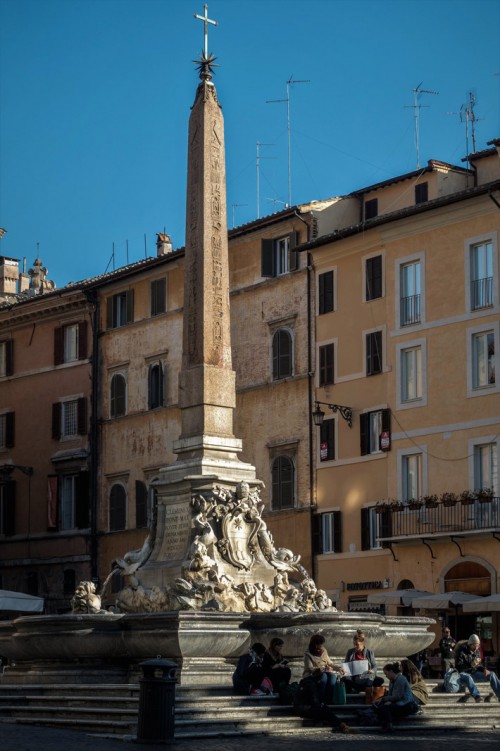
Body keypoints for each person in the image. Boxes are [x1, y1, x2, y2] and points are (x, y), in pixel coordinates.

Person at [373, 662, 419, 732]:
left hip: (407, 704)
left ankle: (389, 725)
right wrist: (382, 700)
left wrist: (385, 700)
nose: (386, 676)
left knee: (384, 708)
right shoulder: (392, 681)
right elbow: (391, 695)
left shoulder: (401, 679)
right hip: (398, 703)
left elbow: (398, 696)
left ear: (391, 671)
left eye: (386, 674)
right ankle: (386, 723)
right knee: (379, 706)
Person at [455, 634, 500, 703]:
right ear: (470, 644)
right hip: (463, 673)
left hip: (473, 672)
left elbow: (478, 665)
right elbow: (459, 667)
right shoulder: (461, 652)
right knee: (468, 677)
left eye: (478, 646)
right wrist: (470, 664)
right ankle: (477, 696)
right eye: (475, 646)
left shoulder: (477, 652)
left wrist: (483, 669)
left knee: (492, 674)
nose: (476, 648)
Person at [303, 633, 344, 704]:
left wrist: (338, 668)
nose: (322, 646)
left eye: (322, 644)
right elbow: (310, 668)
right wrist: (323, 669)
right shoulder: (308, 654)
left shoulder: (324, 651)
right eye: (320, 644)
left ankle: (329, 698)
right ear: (315, 645)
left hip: (324, 672)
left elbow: (329, 663)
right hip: (312, 675)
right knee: (324, 677)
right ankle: (320, 698)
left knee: (332, 677)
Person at [343, 629, 384, 693]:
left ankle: (360, 689)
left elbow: (374, 665)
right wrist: (345, 670)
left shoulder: (369, 652)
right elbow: (346, 665)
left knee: (380, 680)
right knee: (345, 679)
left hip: (366, 676)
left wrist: (372, 670)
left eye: (357, 644)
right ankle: (364, 689)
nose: (355, 646)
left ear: (362, 643)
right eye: (354, 644)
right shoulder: (350, 652)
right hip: (355, 677)